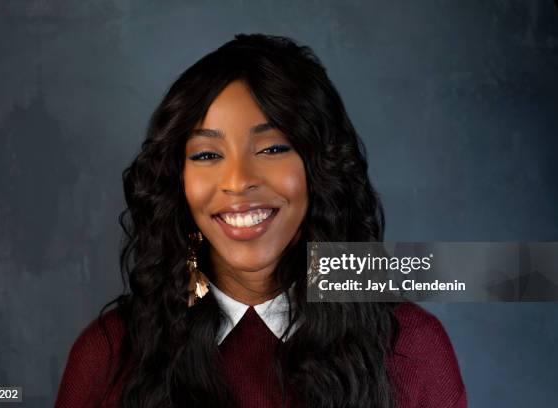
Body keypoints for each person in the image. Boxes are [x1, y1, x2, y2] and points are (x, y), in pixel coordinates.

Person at [55, 33, 466, 408]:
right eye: (206, 155)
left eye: (271, 149)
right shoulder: (106, 356)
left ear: (319, 170)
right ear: (177, 182)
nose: (238, 181)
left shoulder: (412, 348)